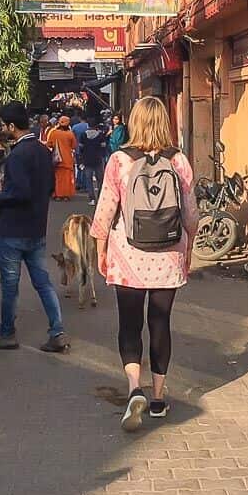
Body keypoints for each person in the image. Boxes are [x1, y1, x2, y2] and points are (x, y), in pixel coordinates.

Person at [90, 97, 199, 432]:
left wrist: (100, 250)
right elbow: (191, 215)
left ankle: (134, 388)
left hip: (128, 256)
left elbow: (105, 211)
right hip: (169, 256)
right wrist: (189, 248)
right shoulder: (178, 160)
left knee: (129, 324)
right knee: (160, 323)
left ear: (134, 122)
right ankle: (158, 397)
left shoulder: (119, 160)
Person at [0, 101, 69, 353]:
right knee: (43, 282)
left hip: (14, 229)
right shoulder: (41, 150)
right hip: (36, 227)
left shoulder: (18, 154)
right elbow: (49, 186)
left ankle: (7, 332)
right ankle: (57, 330)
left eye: (3, 125)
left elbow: (20, 192)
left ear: (10, 125)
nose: (1, 129)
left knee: (10, 285)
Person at [47, 115, 78, 201]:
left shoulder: (54, 133)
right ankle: (66, 195)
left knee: (58, 178)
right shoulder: (70, 134)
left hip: (57, 159)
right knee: (67, 178)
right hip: (68, 159)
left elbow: (49, 144)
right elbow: (74, 146)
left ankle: (57, 194)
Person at [79, 116, 108, 204]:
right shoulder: (100, 135)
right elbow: (103, 147)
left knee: (89, 180)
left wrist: (81, 159)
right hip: (98, 159)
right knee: (100, 179)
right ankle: (100, 196)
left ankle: (92, 198)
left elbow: (81, 148)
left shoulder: (83, 135)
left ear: (88, 125)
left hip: (87, 160)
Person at [71, 113, 89, 189]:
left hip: (77, 149)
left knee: (79, 167)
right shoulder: (88, 126)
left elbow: (71, 138)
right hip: (87, 149)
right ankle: (85, 184)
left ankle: (78, 183)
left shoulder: (75, 127)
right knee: (86, 166)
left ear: (79, 118)